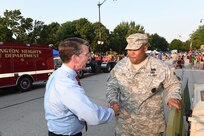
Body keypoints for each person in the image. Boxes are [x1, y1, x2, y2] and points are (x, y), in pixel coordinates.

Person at [106, 33, 181, 136]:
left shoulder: (160, 67)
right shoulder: (120, 66)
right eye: (128, 49)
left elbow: (174, 84)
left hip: (151, 127)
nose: (131, 53)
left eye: (135, 49)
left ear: (145, 48)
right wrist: (113, 100)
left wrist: (173, 97)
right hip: (125, 126)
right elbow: (112, 86)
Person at [44, 37, 119, 136]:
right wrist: (112, 111)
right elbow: (92, 115)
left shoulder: (58, 74)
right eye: (87, 54)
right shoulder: (66, 82)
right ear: (75, 58)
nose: (89, 58)